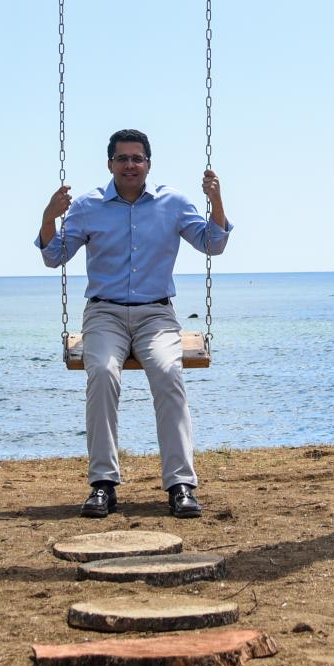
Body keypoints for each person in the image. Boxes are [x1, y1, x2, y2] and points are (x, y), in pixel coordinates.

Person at [37, 127, 231, 519]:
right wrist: (48, 217)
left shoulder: (173, 203)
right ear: (110, 164)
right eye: (122, 158)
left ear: (148, 164)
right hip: (104, 314)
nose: (130, 165)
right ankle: (103, 484)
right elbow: (54, 257)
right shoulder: (87, 206)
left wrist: (216, 200)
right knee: (102, 373)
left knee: (168, 373)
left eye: (137, 158)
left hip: (155, 315)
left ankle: (181, 485)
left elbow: (213, 244)